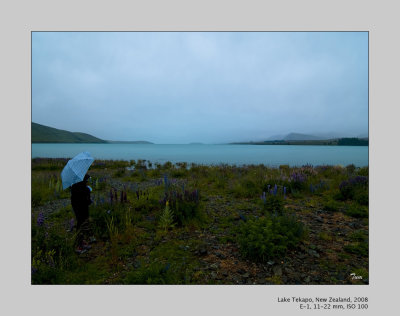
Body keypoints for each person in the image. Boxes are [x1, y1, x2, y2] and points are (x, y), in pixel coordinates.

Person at [71, 174, 92, 253]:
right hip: (79, 206)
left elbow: (87, 199)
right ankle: (78, 246)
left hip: (83, 205)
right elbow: (80, 194)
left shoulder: (78, 183)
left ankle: (82, 242)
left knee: (84, 223)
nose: (87, 181)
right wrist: (87, 190)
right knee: (80, 224)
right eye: (86, 180)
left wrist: (87, 189)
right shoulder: (77, 185)